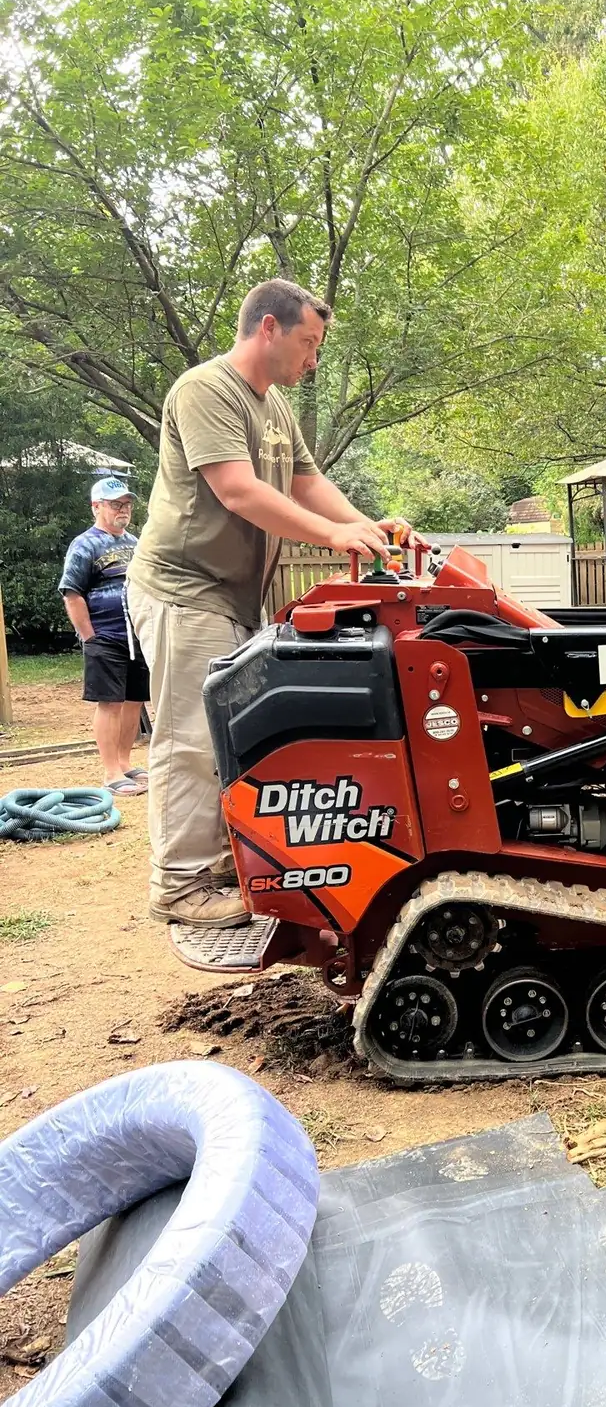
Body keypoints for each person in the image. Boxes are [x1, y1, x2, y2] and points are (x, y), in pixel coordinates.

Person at [126, 278, 390, 930]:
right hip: (183, 588)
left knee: (230, 738)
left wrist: (368, 528)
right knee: (190, 740)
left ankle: (216, 863)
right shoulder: (205, 390)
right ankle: (179, 886)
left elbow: (308, 481)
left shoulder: (273, 408)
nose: (314, 359)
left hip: (233, 595)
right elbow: (240, 492)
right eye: (309, 343)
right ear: (267, 329)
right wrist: (332, 536)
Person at [59, 476, 150, 796]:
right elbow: (72, 593)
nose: (123, 510)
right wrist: (89, 636)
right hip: (105, 636)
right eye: (115, 504)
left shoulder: (136, 543)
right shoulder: (85, 544)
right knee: (109, 703)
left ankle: (125, 764)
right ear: (97, 507)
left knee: (134, 701)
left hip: (137, 636)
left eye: (126, 504)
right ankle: (111, 773)